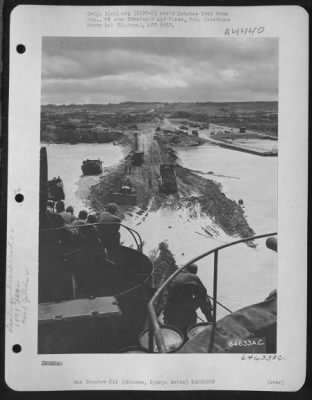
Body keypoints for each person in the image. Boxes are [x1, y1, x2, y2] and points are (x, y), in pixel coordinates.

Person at [164, 264, 213, 336]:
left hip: (169, 314)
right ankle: (211, 323)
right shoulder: (193, 277)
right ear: (194, 272)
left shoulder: (174, 275)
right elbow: (203, 293)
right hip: (185, 315)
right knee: (203, 298)